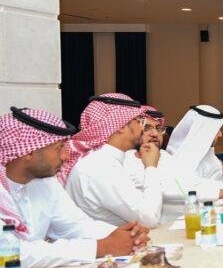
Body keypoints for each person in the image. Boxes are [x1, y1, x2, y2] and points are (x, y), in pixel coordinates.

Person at [0, 107, 149, 268]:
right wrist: (99, 248)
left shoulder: (45, 183)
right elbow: (9, 254)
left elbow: (76, 226)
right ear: (29, 151)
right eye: (59, 147)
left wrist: (127, 237)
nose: (66, 155)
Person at [63, 94, 166, 228]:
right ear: (121, 126)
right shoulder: (100, 167)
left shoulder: (104, 161)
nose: (142, 128)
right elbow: (148, 219)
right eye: (138, 121)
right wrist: (151, 167)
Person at [127, 105, 223, 221]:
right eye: (147, 128)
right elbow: (168, 189)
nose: (154, 133)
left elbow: (192, 182)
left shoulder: (164, 156)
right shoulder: (129, 161)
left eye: (159, 128)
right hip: (153, 227)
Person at [166, 104, 223, 182]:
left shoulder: (213, 163)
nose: (220, 134)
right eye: (216, 130)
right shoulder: (165, 157)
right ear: (203, 130)